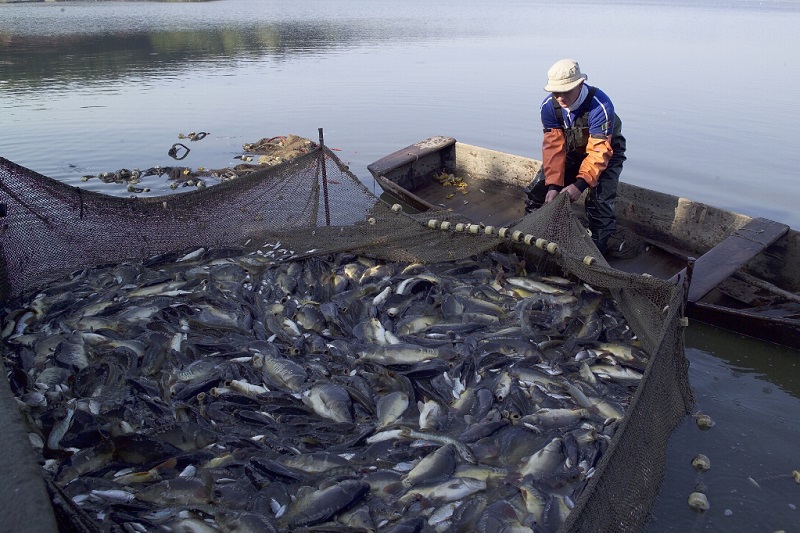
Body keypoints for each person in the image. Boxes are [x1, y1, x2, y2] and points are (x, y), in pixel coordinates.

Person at [525, 58, 626, 255]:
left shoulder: (600, 106)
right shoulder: (548, 107)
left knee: (599, 204)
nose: (560, 98)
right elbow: (553, 148)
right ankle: (533, 234)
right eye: (556, 92)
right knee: (538, 190)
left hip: (606, 154)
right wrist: (554, 186)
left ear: (580, 85)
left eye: (566, 91)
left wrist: (580, 185)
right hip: (571, 151)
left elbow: (599, 152)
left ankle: (597, 253)